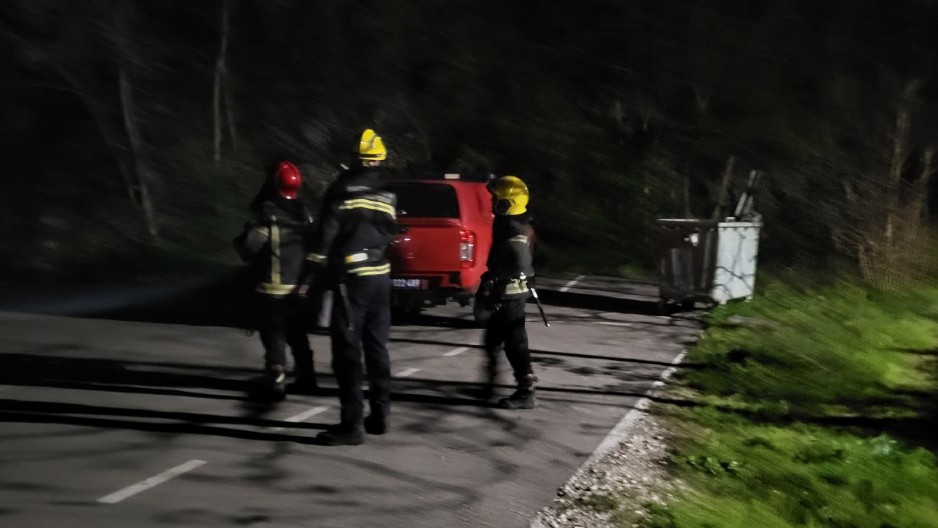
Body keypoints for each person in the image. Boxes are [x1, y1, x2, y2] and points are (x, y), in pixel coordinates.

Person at [306, 129, 398, 445]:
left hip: (351, 281)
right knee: (377, 348)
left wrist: (310, 274)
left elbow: (324, 237)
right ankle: (381, 416)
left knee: (347, 352)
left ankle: (352, 425)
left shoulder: (340, 190)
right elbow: (390, 231)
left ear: (354, 159)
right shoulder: (387, 193)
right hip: (380, 278)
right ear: (380, 160)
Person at [233, 161, 317, 401]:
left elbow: (251, 246)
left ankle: (276, 379)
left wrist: (242, 242)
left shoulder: (267, 213)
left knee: (274, 336)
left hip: (272, 288)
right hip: (298, 288)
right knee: (298, 335)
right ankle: (307, 378)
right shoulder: (303, 212)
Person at [478, 175, 537, 409]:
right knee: (493, 341)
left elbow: (521, 263)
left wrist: (497, 287)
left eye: (496, 198)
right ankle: (490, 384)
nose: (492, 201)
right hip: (505, 293)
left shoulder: (513, 229)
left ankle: (526, 391)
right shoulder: (509, 223)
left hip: (510, 296)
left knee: (515, 343)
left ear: (507, 203)